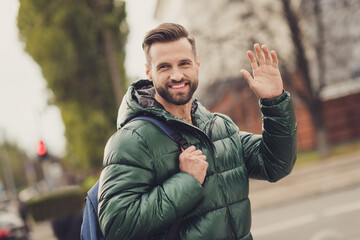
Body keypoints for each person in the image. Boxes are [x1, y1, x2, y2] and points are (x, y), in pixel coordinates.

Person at [98, 23, 297, 240]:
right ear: (149, 73)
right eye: (164, 67)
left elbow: (275, 165)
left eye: (184, 64)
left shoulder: (220, 127)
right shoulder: (131, 141)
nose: (176, 75)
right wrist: (186, 181)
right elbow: (117, 226)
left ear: (197, 65)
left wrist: (274, 102)